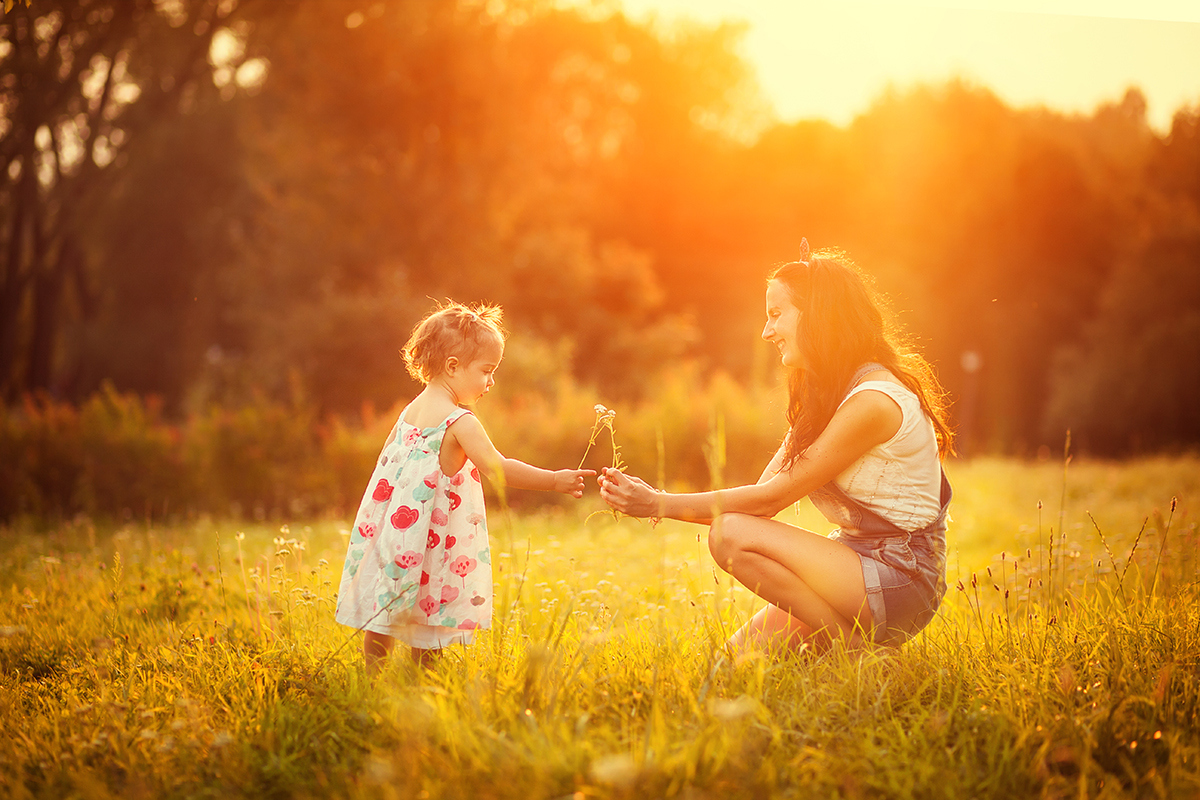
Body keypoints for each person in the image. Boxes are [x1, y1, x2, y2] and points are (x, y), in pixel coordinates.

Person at [599, 241, 954, 653]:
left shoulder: (872, 402)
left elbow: (769, 501)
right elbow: (758, 499)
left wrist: (656, 503)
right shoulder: (826, 397)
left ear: (818, 315)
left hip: (903, 576)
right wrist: (654, 500)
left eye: (776, 314)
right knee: (736, 660)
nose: (767, 331)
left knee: (729, 534)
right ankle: (849, 648)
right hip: (854, 567)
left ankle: (858, 655)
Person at [334, 301, 595, 672]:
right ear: (453, 366)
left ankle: (371, 678)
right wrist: (553, 480)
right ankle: (422, 683)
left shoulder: (411, 410)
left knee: (385, 607)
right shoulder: (460, 422)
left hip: (393, 533)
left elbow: (388, 469)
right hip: (430, 541)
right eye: (487, 371)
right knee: (431, 612)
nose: (491, 382)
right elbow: (499, 469)